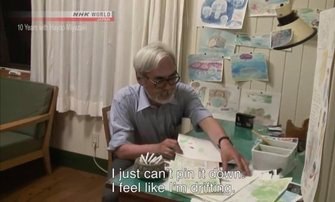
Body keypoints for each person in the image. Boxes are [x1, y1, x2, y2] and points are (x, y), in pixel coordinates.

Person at [102, 42, 250, 201]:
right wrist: (157, 148)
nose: (168, 87)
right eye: (159, 81)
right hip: (134, 160)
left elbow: (203, 116)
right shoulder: (124, 99)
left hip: (170, 158)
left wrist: (224, 143)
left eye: (172, 77)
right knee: (111, 196)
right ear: (140, 78)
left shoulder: (182, 92)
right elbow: (121, 150)